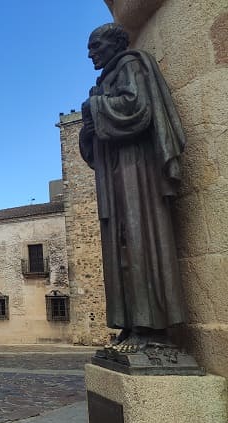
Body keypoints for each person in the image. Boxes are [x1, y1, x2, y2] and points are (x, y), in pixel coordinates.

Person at [79, 23, 186, 349]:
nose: (91, 53)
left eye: (96, 46)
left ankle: (150, 327)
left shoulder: (131, 64)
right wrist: (91, 115)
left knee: (138, 242)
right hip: (117, 174)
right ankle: (131, 324)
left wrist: (93, 107)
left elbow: (137, 107)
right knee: (123, 245)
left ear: (116, 43)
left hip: (136, 174)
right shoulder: (109, 76)